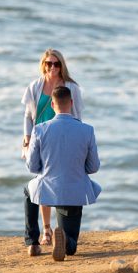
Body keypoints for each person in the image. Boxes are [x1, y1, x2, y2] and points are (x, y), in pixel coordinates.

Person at [24, 86, 101, 261]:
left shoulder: (39, 129)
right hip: (74, 191)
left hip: (48, 190)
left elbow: (33, 168)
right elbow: (93, 167)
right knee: (71, 245)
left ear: (52, 104)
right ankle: (66, 241)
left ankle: (33, 242)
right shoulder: (87, 130)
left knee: (28, 191)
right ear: (71, 103)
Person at [21, 49, 84, 246]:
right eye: (49, 64)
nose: (52, 68)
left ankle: (57, 231)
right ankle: (47, 230)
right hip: (40, 139)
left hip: (62, 138)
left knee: (55, 182)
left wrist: (77, 139)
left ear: (62, 65)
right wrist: (27, 137)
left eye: (56, 64)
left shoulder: (71, 87)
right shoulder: (35, 86)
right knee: (41, 181)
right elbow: (28, 115)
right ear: (43, 65)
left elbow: (78, 115)